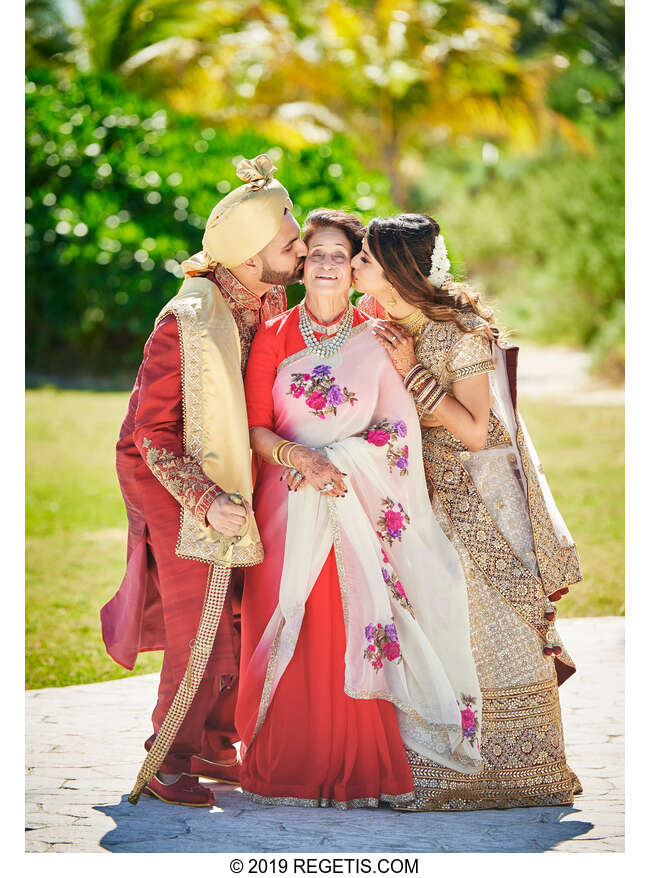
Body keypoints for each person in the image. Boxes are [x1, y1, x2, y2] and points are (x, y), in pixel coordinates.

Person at [235, 209, 483, 809]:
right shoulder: (274, 335)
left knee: (350, 622)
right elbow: (255, 429)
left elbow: (398, 430)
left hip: (357, 503)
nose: (324, 264)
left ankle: (357, 768)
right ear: (300, 266)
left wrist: (340, 461)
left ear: (354, 270)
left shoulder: (379, 334)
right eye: (314, 253)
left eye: (339, 256)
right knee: (287, 617)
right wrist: (304, 459)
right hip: (286, 502)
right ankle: (283, 765)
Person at [351, 212, 583, 810]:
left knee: (488, 629)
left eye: (365, 260)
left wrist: (411, 373)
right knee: (431, 626)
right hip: (411, 496)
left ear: (397, 271)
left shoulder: (462, 333)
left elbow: (478, 432)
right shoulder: (378, 326)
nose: (353, 265)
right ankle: (438, 768)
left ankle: (523, 774)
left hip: (475, 504)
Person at [101, 154, 307, 807]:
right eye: (291, 239)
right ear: (250, 257)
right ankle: (167, 761)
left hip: (230, 471)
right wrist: (209, 500)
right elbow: (150, 435)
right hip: (169, 477)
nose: (302, 247)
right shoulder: (185, 320)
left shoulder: (266, 293)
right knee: (208, 619)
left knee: (243, 611)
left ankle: (219, 744)